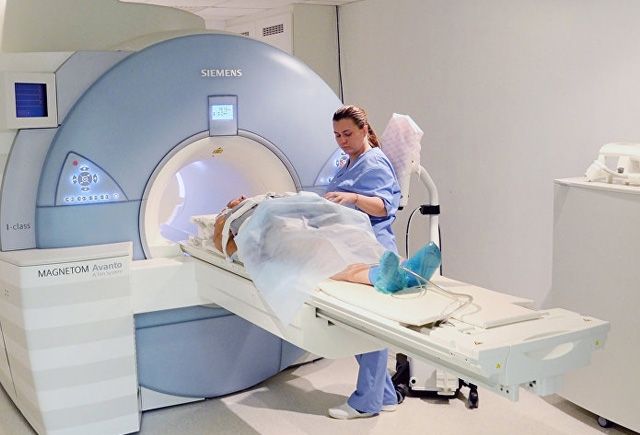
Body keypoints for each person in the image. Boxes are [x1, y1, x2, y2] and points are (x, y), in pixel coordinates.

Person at [323, 105, 403, 419]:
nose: (342, 140)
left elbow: (384, 207)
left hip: (373, 249)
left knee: (368, 328)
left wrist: (354, 198)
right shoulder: (349, 161)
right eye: (337, 135)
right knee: (358, 326)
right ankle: (385, 395)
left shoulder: (374, 161)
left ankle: (365, 403)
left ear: (363, 129)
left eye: (347, 134)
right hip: (353, 248)